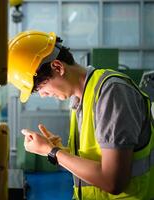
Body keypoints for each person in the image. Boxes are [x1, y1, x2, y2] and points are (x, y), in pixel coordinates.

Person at [8, 30, 154, 199]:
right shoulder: (80, 100)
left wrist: (52, 151)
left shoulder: (111, 93)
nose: (42, 95)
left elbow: (113, 181)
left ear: (58, 67)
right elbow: (99, 156)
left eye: (40, 87)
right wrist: (64, 151)